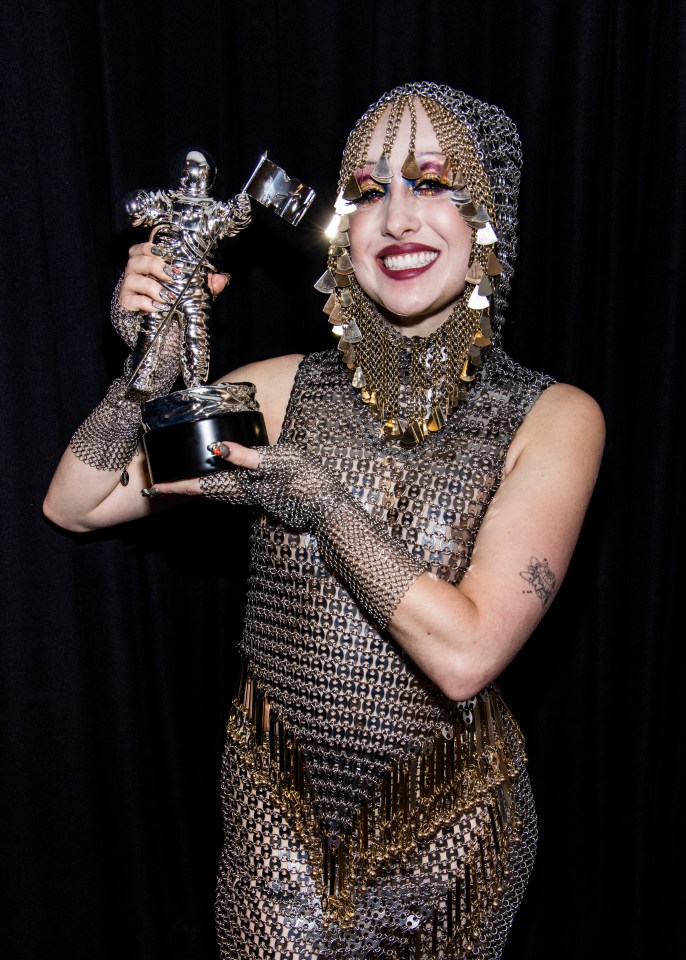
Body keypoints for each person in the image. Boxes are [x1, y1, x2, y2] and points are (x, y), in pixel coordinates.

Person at [44, 82, 605, 960]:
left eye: (436, 183)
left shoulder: (553, 416)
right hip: (278, 823)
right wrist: (146, 375)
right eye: (371, 191)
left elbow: (465, 657)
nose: (399, 218)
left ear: (491, 214)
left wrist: (320, 502)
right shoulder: (285, 390)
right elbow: (75, 504)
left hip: (452, 833)